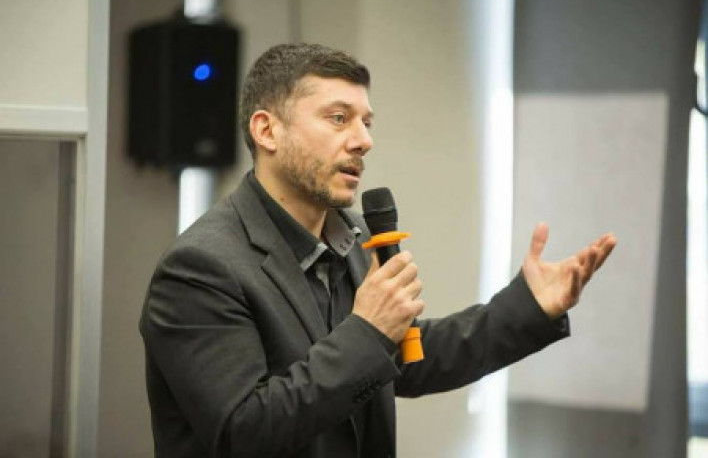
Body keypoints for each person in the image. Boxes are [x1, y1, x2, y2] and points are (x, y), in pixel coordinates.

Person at [140, 43, 616, 458]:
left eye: (366, 123)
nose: (364, 141)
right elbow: (244, 431)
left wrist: (529, 307)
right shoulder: (200, 268)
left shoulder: (351, 235)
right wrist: (368, 330)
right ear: (267, 131)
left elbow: (408, 357)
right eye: (338, 118)